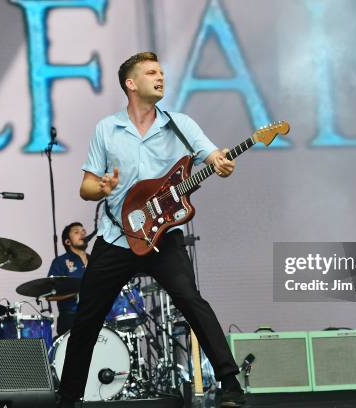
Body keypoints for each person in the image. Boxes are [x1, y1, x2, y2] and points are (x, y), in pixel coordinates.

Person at [56, 52, 243, 408]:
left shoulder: (179, 123)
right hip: (116, 237)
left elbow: (209, 152)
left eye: (161, 73)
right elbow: (86, 187)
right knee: (88, 317)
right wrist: (104, 188)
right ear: (131, 83)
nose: (160, 77)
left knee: (191, 301)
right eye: (151, 72)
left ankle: (230, 384)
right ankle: (69, 397)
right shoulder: (107, 129)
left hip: (162, 237)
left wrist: (219, 160)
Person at [47, 222, 89, 336]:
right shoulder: (60, 262)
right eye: (76, 232)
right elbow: (49, 295)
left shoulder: (96, 260)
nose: (82, 233)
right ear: (68, 241)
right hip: (71, 318)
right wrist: (77, 293)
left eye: (83, 231)